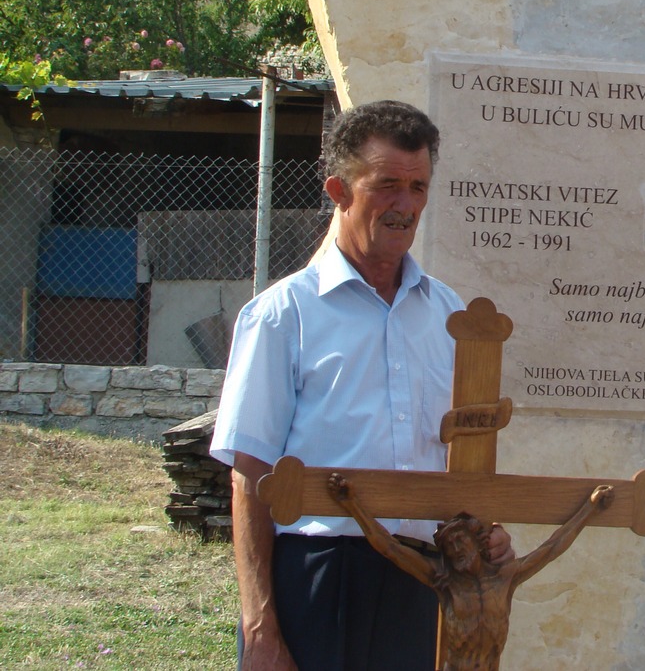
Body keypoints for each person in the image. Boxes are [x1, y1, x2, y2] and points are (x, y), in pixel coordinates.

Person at [210, 100, 513, 671]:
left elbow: (459, 459)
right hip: (319, 577)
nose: (405, 205)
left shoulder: (452, 317)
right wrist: (261, 631)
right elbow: (250, 476)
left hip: (421, 582)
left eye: (418, 187)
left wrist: (488, 532)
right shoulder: (283, 315)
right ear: (339, 190)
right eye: (387, 185)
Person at [327, 473, 614, 671]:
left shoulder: (506, 577)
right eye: (449, 546)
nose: (455, 550)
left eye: (460, 540)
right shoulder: (445, 582)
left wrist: (589, 510)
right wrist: (352, 504)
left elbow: (552, 548)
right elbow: (390, 548)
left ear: (478, 542)